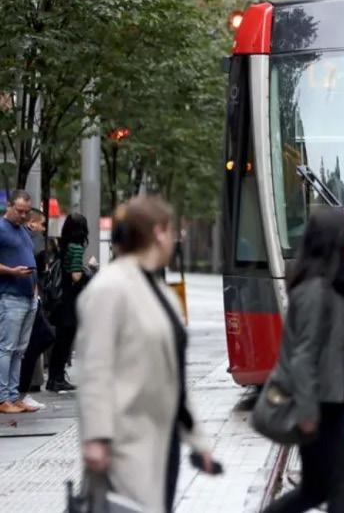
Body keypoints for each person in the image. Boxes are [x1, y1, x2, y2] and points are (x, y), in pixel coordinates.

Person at [76, 196, 215, 513]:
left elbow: (174, 373)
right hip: (124, 441)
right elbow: (94, 368)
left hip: (161, 439)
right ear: (159, 233)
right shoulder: (110, 288)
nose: (176, 238)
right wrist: (96, 438)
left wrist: (198, 441)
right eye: (173, 230)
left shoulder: (159, 290)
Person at [262, 206, 344, 513]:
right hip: (317, 404)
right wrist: (307, 413)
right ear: (338, 242)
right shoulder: (316, 291)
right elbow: (303, 357)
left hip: (325, 401)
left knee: (316, 488)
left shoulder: (326, 286)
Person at [0, 190, 39, 414]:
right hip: (11, 297)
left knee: (18, 350)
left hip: (28, 297)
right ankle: (3, 398)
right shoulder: (2, 228)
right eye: (19, 211)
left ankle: (14, 396)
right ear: (9, 206)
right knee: (7, 348)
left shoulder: (22, 230)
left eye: (26, 212)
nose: (23, 215)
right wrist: (12, 271)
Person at [47, 213, 91, 392]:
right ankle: (57, 378)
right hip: (70, 302)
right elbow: (76, 276)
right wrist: (89, 270)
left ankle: (53, 378)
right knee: (65, 341)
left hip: (60, 301)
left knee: (60, 341)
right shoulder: (76, 248)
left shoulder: (63, 246)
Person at [16, 209, 54, 407]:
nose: (43, 228)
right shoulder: (31, 241)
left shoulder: (25, 240)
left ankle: (20, 390)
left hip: (31, 297)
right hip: (28, 297)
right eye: (42, 224)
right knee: (37, 340)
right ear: (31, 223)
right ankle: (20, 391)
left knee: (36, 340)